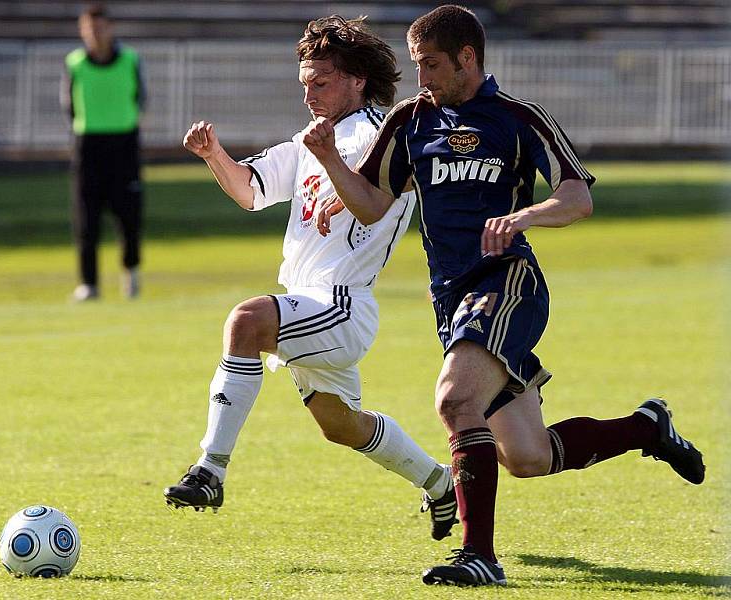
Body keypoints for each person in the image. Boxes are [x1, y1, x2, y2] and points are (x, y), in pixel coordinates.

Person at [304, 4, 705, 587]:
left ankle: (479, 558)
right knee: (528, 456)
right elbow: (372, 203)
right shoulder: (410, 121)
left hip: (507, 283)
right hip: (451, 300)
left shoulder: (518, 118)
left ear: (468, 58)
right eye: (418, 65)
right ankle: (648, 427)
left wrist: (524, 217)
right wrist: (328, 158)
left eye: (432, 64)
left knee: (454, 402)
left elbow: (578, 198)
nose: (423, 79)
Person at [163, 15, 459, 542]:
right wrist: (214, 156)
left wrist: (327, 155)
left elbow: (373, 206)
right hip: (308, 303)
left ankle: (210, 470)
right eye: (305, 84)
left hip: (343, 304)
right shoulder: (312, 139)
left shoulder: (382, 134)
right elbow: (252, 191)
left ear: (356, 80)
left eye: (320, 82)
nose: (310, 95)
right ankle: (441, 485)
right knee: (340, 425)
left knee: (246, 320)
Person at [61, 3, 145, 301]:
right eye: (88, 28)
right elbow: (69, 105)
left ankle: (131, 275)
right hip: (89, 147)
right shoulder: (75, 63)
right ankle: (89, 283)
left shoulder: (130, 59)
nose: (94, 34)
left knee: (129, 216)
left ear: (110, 28)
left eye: (99, 27)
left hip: (123, 145)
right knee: (87, 219)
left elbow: (140, 99)